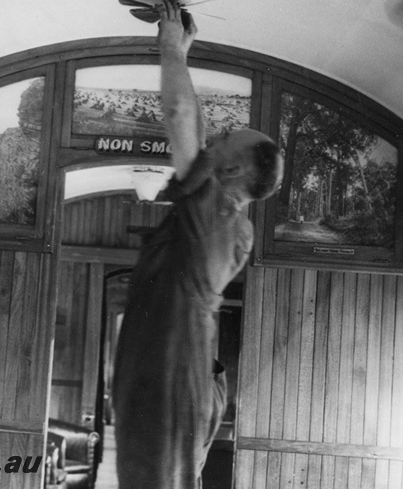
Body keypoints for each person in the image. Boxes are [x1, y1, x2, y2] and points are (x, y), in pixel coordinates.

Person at [111, 2, 284, 488]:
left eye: (227, 138)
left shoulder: (215, 216)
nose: (217, 136)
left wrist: (169, 48)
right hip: (180, 378)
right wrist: (183, 54)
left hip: (171, 380)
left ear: (230, 173)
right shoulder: (228, 223)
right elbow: (200, 136)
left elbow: (180, 112)